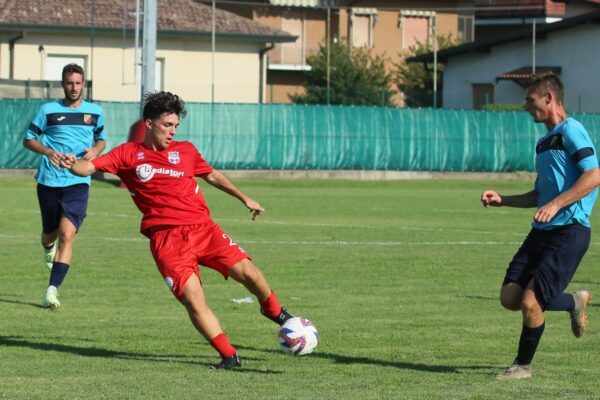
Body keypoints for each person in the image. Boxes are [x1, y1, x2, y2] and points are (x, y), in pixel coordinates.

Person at [60, 91, 295, 369]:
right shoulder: (128, 153)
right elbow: (89, 167)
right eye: (166, 125)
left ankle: (275, 312)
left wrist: (244, 197)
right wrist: (73, 164)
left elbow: (212, 175)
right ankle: (230, 355)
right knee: (193, 299)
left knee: (249, 272)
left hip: (203, 229)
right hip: (167, 241)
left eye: (175, 126)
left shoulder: (186, 151)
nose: (172, 132)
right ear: (148, 124)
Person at [481, 73, 600, 380]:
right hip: (542, 232)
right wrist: (503, 200)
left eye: (529, 99)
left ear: (549, 98)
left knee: (530, 302)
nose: (525, 105)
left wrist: (557, 204)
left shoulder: (571, 130)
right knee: (510, 297)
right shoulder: (543, 143)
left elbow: (594, 175)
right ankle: (574, 300)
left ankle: (522, 366)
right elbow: (539, 195)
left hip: (570, 230)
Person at [23, 63, 106, 310]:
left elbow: (101, 139)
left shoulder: (95, 112)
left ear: (83, 84)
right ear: (63, 84)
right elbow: (28, 140)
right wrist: (48, 151)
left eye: (78, 83)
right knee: (49, 233)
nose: (74, 87)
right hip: (49, 180)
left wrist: (95, 150)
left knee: (67, 235)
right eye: (70, 83)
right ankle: (48, 248)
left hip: (78, 181)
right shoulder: (48, 110)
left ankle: (52, 290)